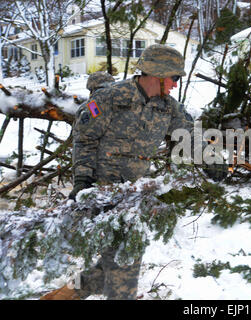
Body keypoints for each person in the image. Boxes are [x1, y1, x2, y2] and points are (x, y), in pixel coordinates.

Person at [41, 44, 226, 300]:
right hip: (101, 192)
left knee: (110, 267)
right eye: (174, 78)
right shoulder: (109, 99)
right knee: (124, 262)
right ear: (158, 73)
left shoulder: (168, 108)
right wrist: (83, 180)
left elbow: (189, 134)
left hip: (133, 195)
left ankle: (61, 296)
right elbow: (85, 140)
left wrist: (211, 159)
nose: (175, 84)